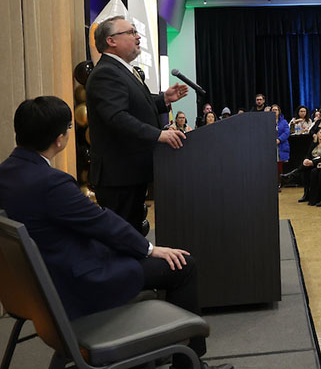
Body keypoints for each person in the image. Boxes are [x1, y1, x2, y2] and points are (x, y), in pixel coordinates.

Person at [0, 96, 232, 369]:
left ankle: (157, 349)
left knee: (136, 252)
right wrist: (150, 248)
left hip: (35, 290)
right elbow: (99, 222)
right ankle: (190, 364)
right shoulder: (51, 182)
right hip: (78, 286)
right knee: (183, 265)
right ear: (60, 139)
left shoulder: (6, 173)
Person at [86, 16, 189, 233]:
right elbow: (117, 117)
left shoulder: (121, 69)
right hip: (118, 177)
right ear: (111, 40)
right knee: (122, 237)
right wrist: (158, 135)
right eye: (132, 32)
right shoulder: (106, 72)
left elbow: (133, 105)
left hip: (129, 173)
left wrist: (164, 99)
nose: (138, 36)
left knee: (131, 233)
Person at [288, 129, 321, 202]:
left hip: (320, 164)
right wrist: (306, 159)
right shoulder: (314, 143)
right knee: (305, 171)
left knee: (309, 170)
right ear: (317, 134)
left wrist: (312, 162)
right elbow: (308, 154)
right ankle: (306, 194)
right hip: (310, 163)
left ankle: (294, 173)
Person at [271, 104, 290, 191]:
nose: (275, 111)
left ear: (279, 111)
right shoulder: (267, 122)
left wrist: (279, 139)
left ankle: (279, 183)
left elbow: (287, 132)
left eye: (276, 110)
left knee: (279, 166)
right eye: (273, 110)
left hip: (280, 146)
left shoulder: (284, 122)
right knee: (271, 166)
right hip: (270, 146)